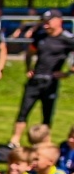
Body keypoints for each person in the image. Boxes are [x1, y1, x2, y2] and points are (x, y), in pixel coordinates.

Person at [12, 12, 73, 148]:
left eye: (48, 22)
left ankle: (45, 143)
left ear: (58, 21)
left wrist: (67, 73)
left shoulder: (67, 39)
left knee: (47, 114)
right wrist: (29, 68)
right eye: (44, 22)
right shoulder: (40, 36)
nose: (45, 25)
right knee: (23, 110)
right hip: (35, 79)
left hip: (51, 81)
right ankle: (14, 140)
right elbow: (30, 52)